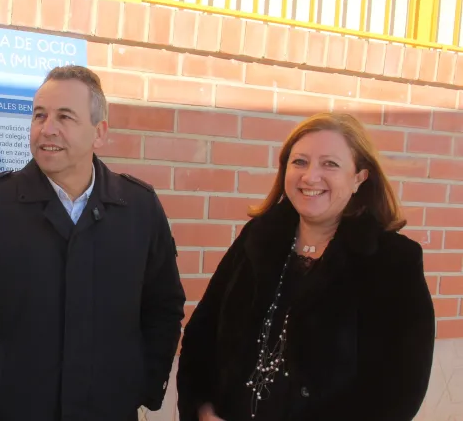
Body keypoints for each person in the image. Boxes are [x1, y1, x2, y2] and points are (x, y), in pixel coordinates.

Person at [0, 65, 186, 421]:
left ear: (99, 133)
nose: (47, 129)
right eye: (39, 115)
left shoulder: (138, 208)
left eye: (65, 117)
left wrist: (143, 383)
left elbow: (164, 306)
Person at [176, 112, 435, 421]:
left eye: (330, 164)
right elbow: (202, 334)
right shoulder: (257, 239)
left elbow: (399, 390)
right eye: (299, 162)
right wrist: (203, 409)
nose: (310, 176)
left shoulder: (393, 261)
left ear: (359, 178)